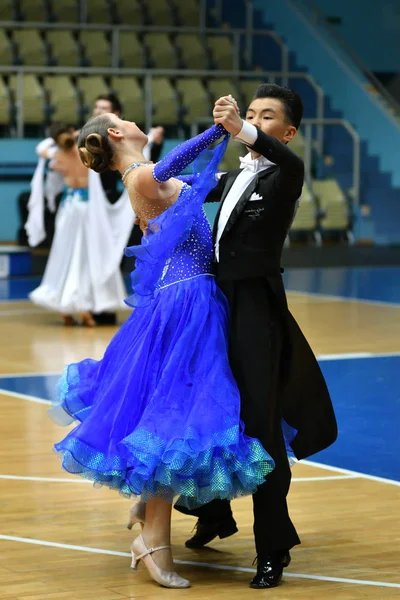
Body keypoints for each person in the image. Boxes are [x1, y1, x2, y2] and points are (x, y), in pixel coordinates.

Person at [48, 113, 276, 589]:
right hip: (186, 302)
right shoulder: (141, 175)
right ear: (115, 133)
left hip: (195, 297)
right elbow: (177, 163)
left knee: (178, 413)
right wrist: (222, 128)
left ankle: (151, 522)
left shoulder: (153, 174)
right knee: (175, 415)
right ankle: (153, 541)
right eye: (124, 119)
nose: (132, 121)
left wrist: (255, 155)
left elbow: (210, 180)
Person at [174, 84, 338, 589]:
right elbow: (171, 186)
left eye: (268, 117)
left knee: (261, 425)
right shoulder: (231, 176)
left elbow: (266, 151)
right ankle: (214, 511)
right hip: (215, 309)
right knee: (206, 412)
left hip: (256, 314)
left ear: (287, 133)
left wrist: (236, 126)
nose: (256, 121)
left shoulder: (287, 173)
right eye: (251, 113)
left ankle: (272, 548)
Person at [29, 122, 131, 326]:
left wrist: (57, 137)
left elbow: (41, 147)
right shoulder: (85, 151)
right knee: (86, 254)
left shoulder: (55, 155)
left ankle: (66, 305)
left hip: (69, 209)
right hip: (87, 208)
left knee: (66, 253)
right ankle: (84, 304)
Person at [91, 94, 165, 325]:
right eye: (97, 108)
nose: (98, 111)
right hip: (99, 209)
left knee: (139, 255)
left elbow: (154, 170)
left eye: (105, 108)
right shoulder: (90, 141)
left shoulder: (139, 158)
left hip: (132, 208)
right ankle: (101, 306)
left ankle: (147, 306)